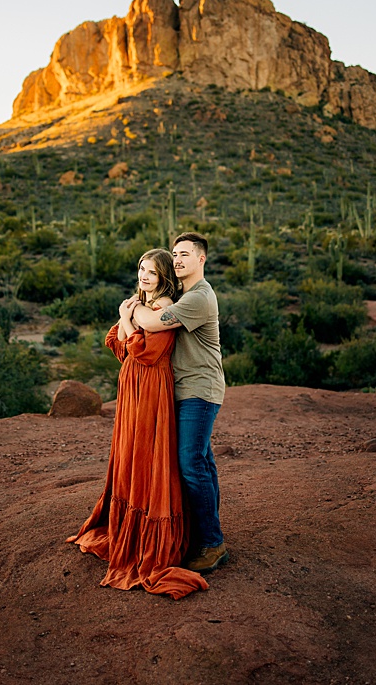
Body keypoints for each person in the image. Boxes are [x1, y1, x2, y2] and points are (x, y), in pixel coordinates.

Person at [67, 249, 208, 599]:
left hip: (151, 387)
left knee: (146, 452)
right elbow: (117, 343)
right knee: (130, 452)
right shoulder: (140, 304)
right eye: (142, 269)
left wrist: (125, 317)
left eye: (153, 272)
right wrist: (128, 322)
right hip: (132, 385)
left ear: (164, 278)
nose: (144, 276)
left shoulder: (163, 308)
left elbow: (145, 351)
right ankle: (124, 528)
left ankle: (155, 539)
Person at [129, 232, 228, 574]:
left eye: (185, 253)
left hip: (199, 389)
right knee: (201, 461)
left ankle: (212, 544)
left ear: (201, 259)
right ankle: (207, 535)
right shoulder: (182, 294)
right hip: (185, 389)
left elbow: (152, 322)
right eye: (174, 253)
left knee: (190, 463)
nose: (177, 259)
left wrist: (133, 306)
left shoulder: (199, 297)